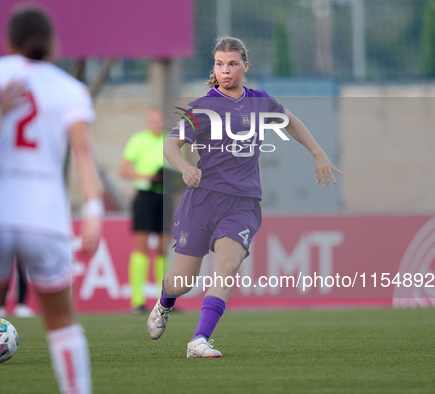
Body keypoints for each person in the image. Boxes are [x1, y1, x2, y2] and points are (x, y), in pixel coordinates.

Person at [147, 37, 343, 358]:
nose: (226, 70)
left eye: (232, 64)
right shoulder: (202, 107)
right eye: (220, 64)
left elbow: (290, 120)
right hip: (202, 201)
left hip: (242, 203)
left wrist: (318, 152)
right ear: (214, 67)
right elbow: (171, 145)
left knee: (225, 267)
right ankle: (164, 303)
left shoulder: (260, 102)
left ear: (244, 67)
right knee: (183, 282)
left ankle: (199, 340)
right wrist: (184, 167)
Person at [0, 7, 103, 394]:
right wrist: (93, 209)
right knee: (62, 322)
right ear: (54, 45)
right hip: (45, 215)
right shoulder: (70, 89)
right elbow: (82, 152)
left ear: (8, 43)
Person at [119, 109, 169, 313]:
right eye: (152, 120)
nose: (155, 123)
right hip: (145, 196)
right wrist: (148, 176)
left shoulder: (172, 141)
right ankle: (137, 300)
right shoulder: (138, 140)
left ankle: (164, 301)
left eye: (158, 120)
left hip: (165, 196)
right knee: (141, 247)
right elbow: (123, 170)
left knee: (164, 249)